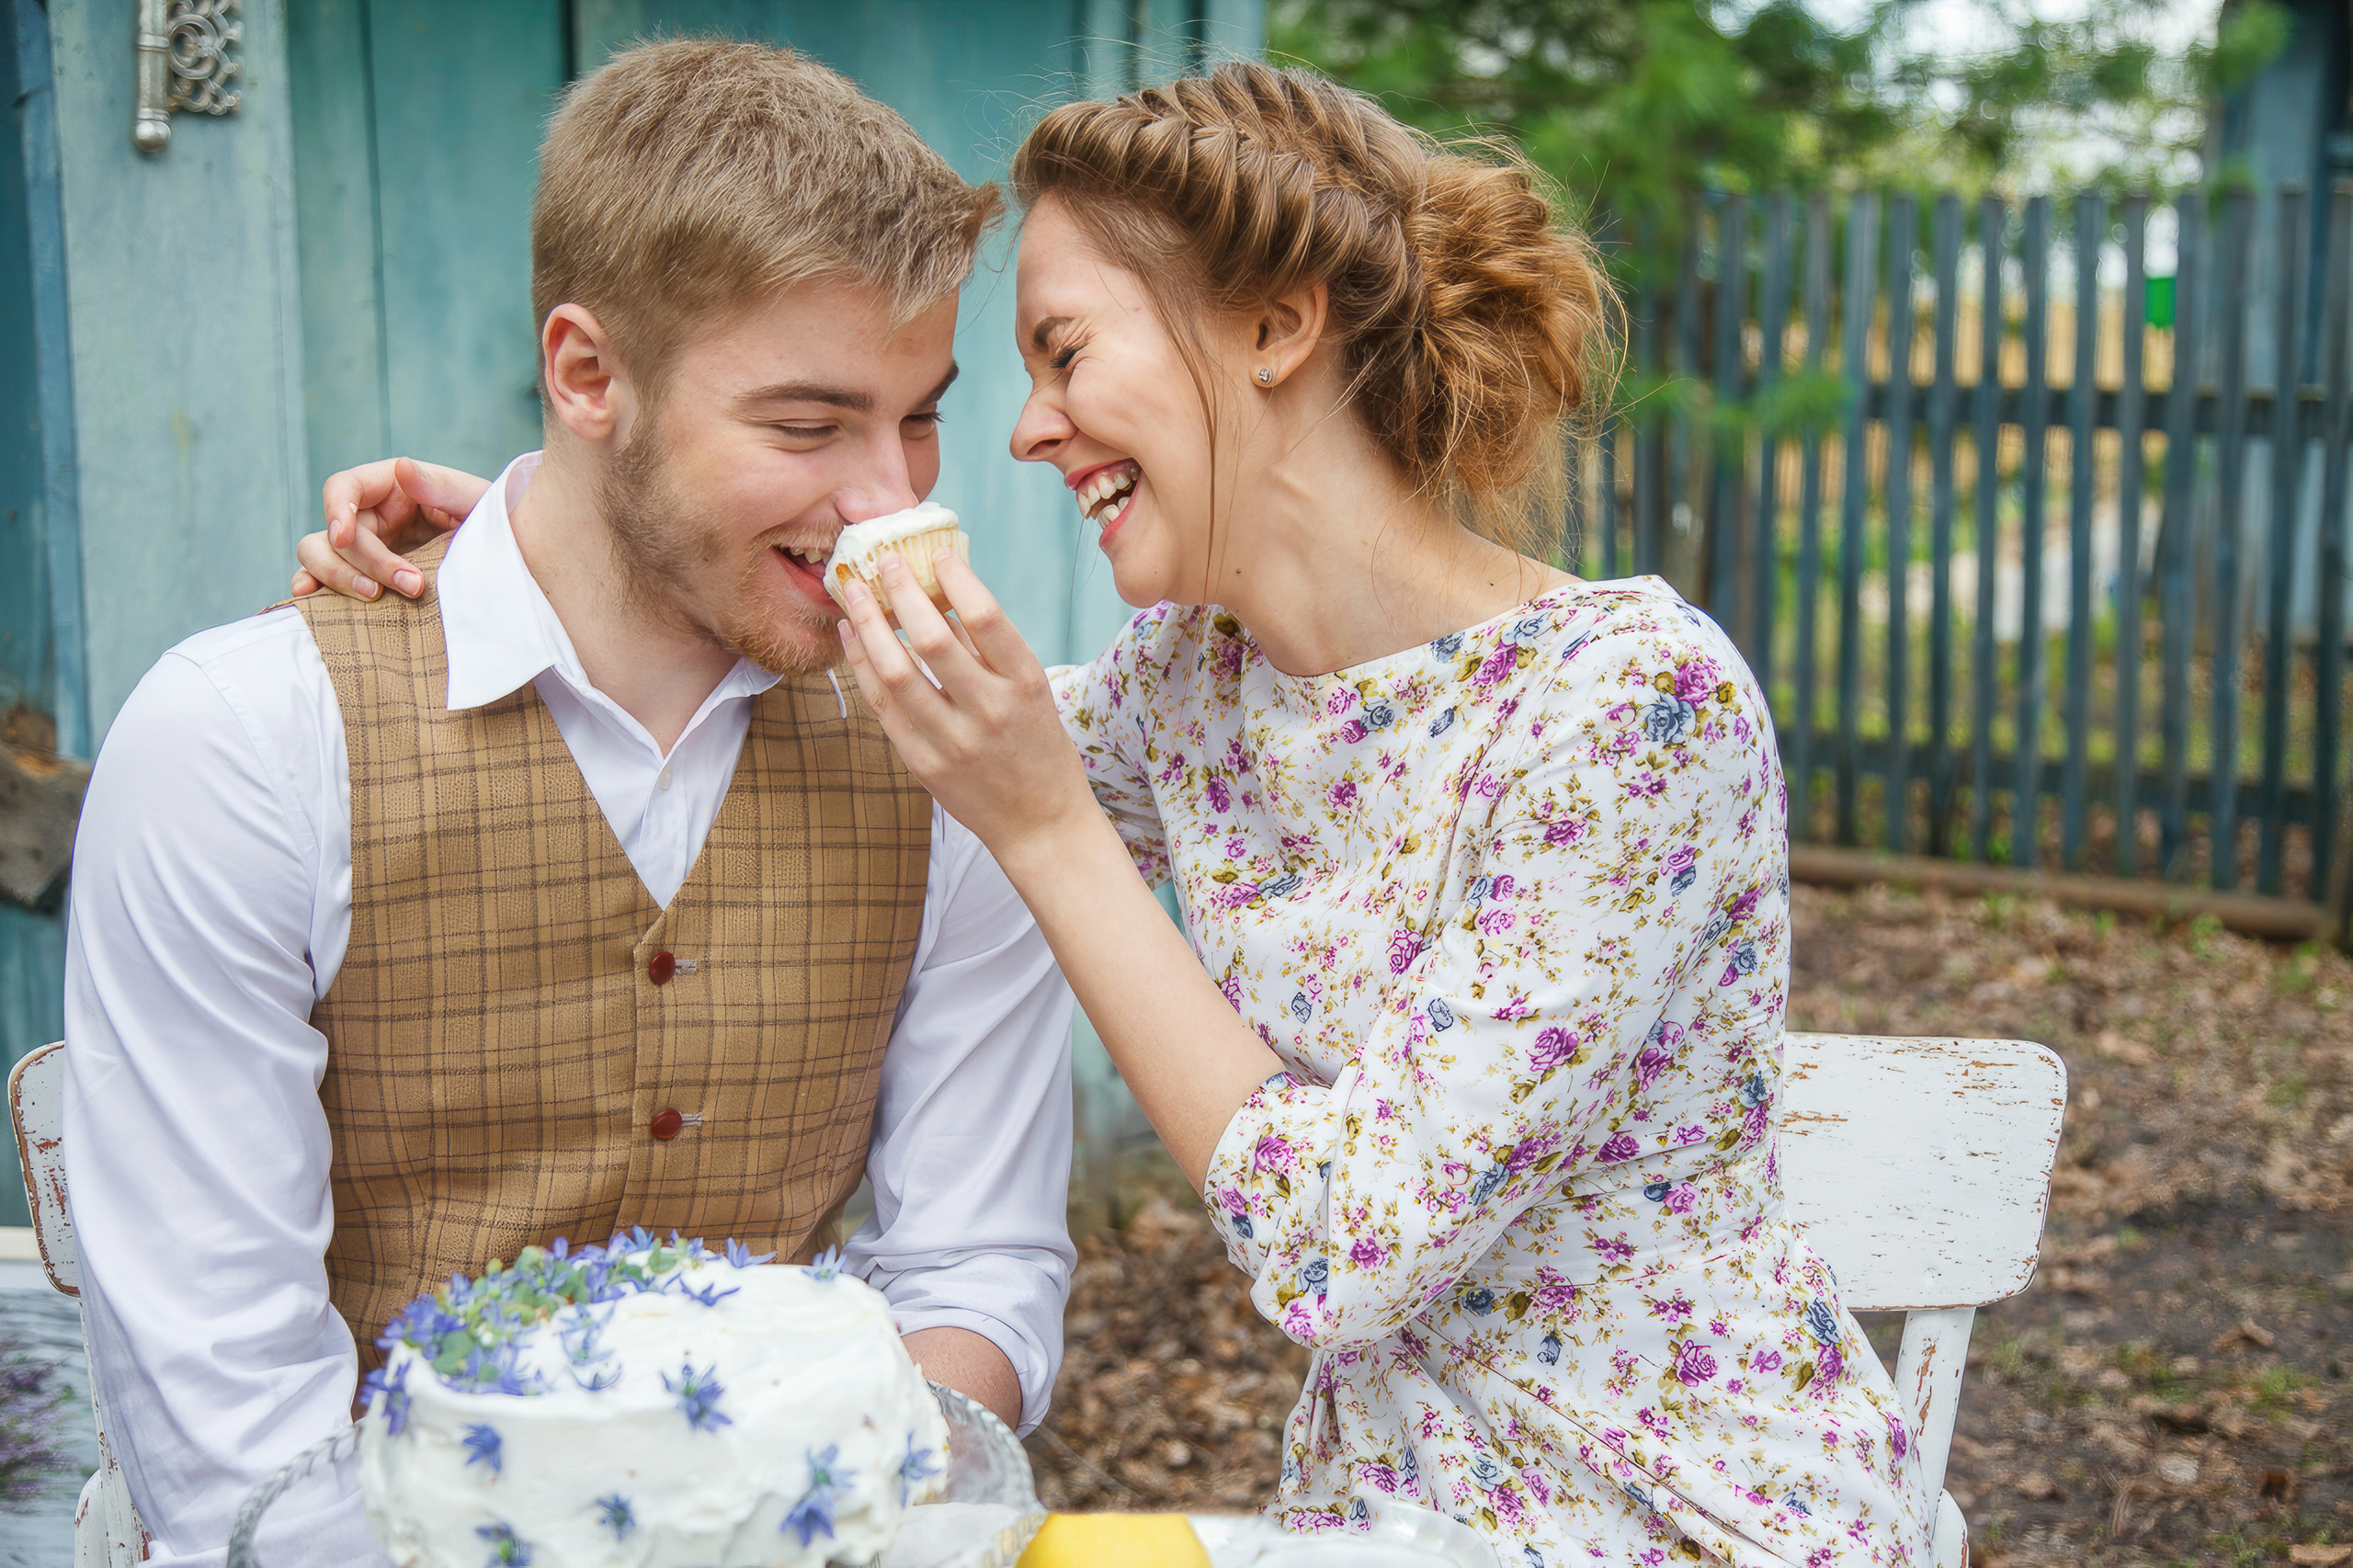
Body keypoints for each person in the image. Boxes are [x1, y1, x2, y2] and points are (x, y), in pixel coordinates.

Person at [298, 61, 1931, 1567]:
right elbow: (869, 690)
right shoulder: (1189, 687)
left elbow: (1349, 1244)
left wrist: (1052, 831)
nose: (1022, 429)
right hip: (1370, 1529)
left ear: (1275, 327)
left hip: (1682, 1518)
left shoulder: (1629, 703)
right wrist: (544, 536)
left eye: (1064, 349)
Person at [64, 40, 1077, 1568]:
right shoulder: (237, 744)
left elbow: (974, 1267)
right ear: (588, 374)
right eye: (809, 428)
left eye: (918, 416)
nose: (893, 499)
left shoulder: (961, 749)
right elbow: (230, 1435)